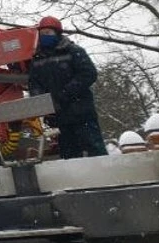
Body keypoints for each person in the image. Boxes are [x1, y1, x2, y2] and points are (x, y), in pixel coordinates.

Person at [28, 16, 107, 159]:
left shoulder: (73, 51)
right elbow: (34, 83)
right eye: (42, 33)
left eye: (48, 33)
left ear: (57, 33)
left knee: (94, 149)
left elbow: (88, 74)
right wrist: (42, 103)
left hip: (82, 113)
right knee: (69, 155)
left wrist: (66, 93)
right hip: (60, 117)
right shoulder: (37, 59)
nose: (45, 36)